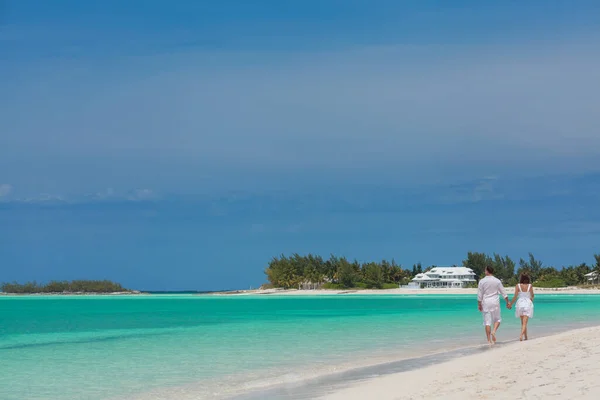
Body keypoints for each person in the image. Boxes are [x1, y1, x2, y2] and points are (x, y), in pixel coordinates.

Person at [477, 266, 510, 345]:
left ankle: (489, 341)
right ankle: (494, 331)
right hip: (495, 302)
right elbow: (503, 293)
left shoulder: (482, 281)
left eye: (485, 270)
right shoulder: (497, 281)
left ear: (487, 271)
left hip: (486, 302)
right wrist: (507, 302)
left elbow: (479, 294)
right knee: (497, 319)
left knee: (487, 322)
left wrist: (479, 304)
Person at [509, 273, 535, 341]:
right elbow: (532, 295)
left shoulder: (518, 285)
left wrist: (510, 304)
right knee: (525, 322)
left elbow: (515, 297)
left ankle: (526, 337)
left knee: (523, 322)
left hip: (520, 304)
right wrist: (531, 300)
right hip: (527, 304)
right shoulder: (530, 286)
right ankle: (521, 335)